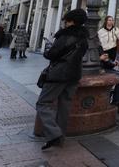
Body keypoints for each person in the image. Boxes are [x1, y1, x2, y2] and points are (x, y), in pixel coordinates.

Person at [35, 9, 88, 150]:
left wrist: (47, 49)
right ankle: (59, 138)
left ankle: (54, 133)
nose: (65, 23)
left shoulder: (65, 36)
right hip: (74, 75)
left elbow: (52, 54)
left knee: (43, 103)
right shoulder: (84, 38)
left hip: (58, 75)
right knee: (65, 106)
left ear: (71, 21)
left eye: (66, 20)